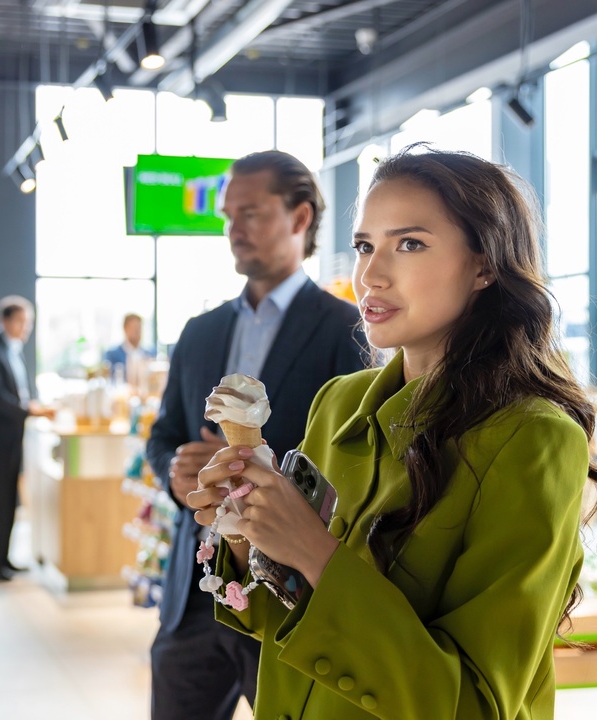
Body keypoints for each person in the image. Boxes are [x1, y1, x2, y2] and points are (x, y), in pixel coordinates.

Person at [190, 146, 597, 719]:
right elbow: (283, 620)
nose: (370, 275)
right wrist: (247, 529)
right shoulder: (337, 403)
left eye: (410, 244)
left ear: (484, 265)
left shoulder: (534, 439)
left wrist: (312, 548)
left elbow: (473, 704)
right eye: (364, 246)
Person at [145, 150, 367, 720]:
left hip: (288, 591)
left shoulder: (348, 331)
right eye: (227, 215)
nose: (233, 229)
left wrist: (260, 471)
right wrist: (177, 472)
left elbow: (358, 457)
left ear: (299, 218)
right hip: (193, 594)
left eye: (251, 213)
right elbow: (164, 434)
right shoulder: (199, 332)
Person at [0, 295, 54, 582]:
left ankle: (3, 558)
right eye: (22, 321)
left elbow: (20, 391)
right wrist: (29, 410)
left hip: (14, 435)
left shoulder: (13, 349)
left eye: (29, 322)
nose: (26, 327)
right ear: (6, 320)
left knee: (9, 498)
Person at [103, 312, 153, 388]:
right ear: (125, 329)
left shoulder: (149, 354)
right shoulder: (112, 355)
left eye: (139, 328)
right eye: (133, 328)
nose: (137, 332)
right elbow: (109, 382)